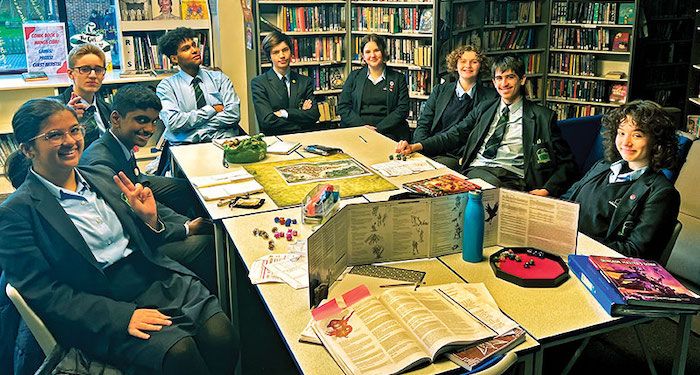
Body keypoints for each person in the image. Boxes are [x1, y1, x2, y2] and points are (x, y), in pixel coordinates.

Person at [0, 98, 237, 374]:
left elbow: (142, 243)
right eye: (54, 135)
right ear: (28, 149)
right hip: (98, 301)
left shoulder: (101, 176)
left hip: (152, 275)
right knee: (179, 352)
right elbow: (43, 293)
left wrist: (149, 221)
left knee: (222, 336)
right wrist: (121, 318)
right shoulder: (16, 212)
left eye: (74, 130)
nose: (70, 141)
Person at [80, 84, 216, 289]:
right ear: (116, 118)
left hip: (140, 209)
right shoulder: (100, 164)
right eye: (142, 120)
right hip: (131, 248)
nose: (150, 130)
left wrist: (186, 223)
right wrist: (185, 229)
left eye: (153, 122)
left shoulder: (119, 143)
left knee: (186, 188)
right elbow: (133, 221)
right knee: (207, 245)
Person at [397, 55, 577, 197]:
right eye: (499, 78)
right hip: (477, 171)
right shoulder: (484, 108)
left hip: (511, 178)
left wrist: (548, 189)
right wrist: (416, 146)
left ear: (522, 80)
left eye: (510, 77)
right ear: (493, 82)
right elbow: (455, 134)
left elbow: (568, 164)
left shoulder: (542, 117)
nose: (504, 84)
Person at [562, 100, 680, 260]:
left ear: (657, 141)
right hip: (565, 252)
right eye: (621, 133)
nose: (626, 142)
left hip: (601, 267)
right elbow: (564, 205)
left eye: (637, 135)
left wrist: (574, 242)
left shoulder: (662, 192)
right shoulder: (601, 167)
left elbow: (635, 252)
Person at [408, 45, 497, 170]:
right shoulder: (440, 91)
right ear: (455, 65)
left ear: (481, 66)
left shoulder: (490, 97)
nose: (468, 66)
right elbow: (423, 124)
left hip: (457, 157)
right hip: (430, 148)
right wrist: (421, 148)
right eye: (463, 61)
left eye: (474, 62)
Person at [156, 27, 242, 144]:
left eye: (194, 45)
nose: (195, 50)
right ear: (174, 58)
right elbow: (174, 123)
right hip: (185, 147)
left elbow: (233, 114)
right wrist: (211, 110)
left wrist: (193, 130)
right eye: (186, 49)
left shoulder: (219, 78)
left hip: (223, 142)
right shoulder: (166, 87)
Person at [337, 34, 410, 142]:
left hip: (389, 132)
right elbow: (343, 107)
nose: (372, 55)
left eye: (376, 50)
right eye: (367, 52)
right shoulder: (354, 77)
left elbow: (402, 109)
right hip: (358, 131)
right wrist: (363, 128)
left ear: (383, 52)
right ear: (362, 55)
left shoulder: (398, 78)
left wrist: (378, 130)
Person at [251, 30, 320, 135]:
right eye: (276, 52)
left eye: (285, 50)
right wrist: (301, 117)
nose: (282, 55)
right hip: (275, 141)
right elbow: (267, 122)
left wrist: (285, 113)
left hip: (303, 139)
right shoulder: (259, 83)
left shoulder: (305, 82)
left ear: (291, 52)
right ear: (269, 56)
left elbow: (314, 115)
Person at [51, 43, 111, 148]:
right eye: (85, 69)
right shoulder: (52, 109)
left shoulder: (109, 109)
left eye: (98, 70)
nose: (93, 75)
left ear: (103, 74)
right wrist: (65, 119)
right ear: (71, 74)